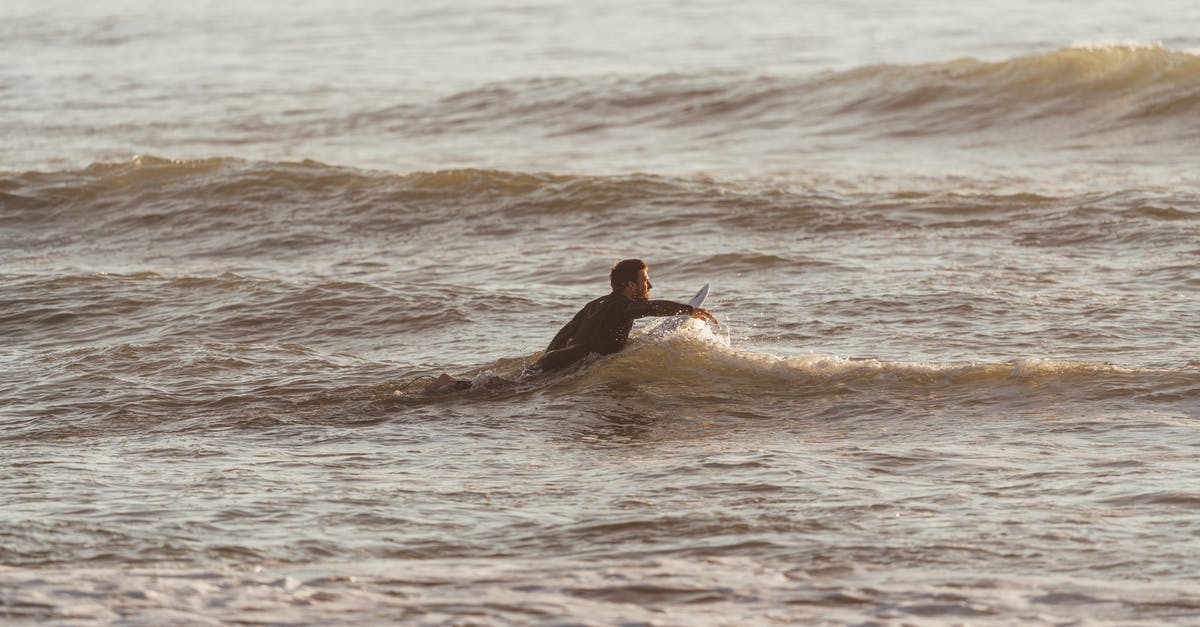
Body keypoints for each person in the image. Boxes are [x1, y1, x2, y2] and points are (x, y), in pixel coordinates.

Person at [425, 259, 717, 392]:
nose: (649, 284)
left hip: (560, 356)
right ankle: (449, 384)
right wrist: (689, 309)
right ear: (630, 285)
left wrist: (546, 359)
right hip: (569, 360)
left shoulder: (598, 303)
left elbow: (565, 332)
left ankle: (452, 383)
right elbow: (649, 308)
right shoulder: (621, 305)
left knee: (513, 383)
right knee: (503, 392)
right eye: (645, 279)